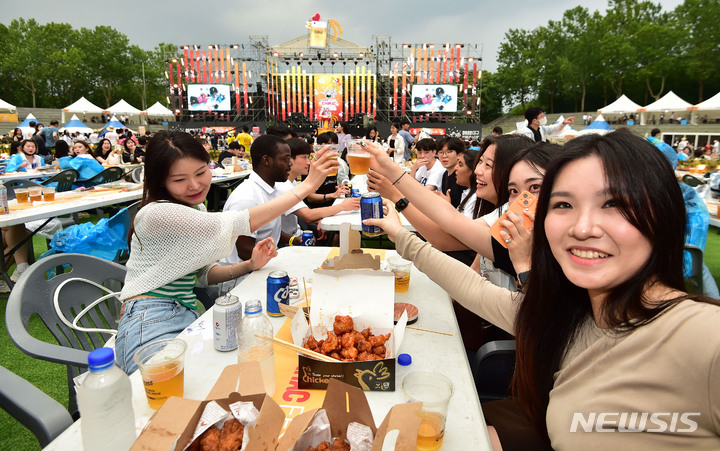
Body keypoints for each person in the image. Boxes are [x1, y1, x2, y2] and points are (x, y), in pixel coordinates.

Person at [366, 130, 720, 450]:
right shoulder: (562, 314)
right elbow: (471, 287)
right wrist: (399, 236)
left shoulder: (703, 338)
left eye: (612, 203)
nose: (583, 227)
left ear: (662, 213)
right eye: (563, 204)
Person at [114, 131, 337, 373]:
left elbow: (202, 274)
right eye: (179, 180)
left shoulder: (194, 207)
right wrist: (307, 186)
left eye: (201, 173)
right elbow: (240, 222)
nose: (195, 185)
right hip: (150, 320)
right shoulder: (156, 213)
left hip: (183, 313)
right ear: (160, 182)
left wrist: (249, 265)